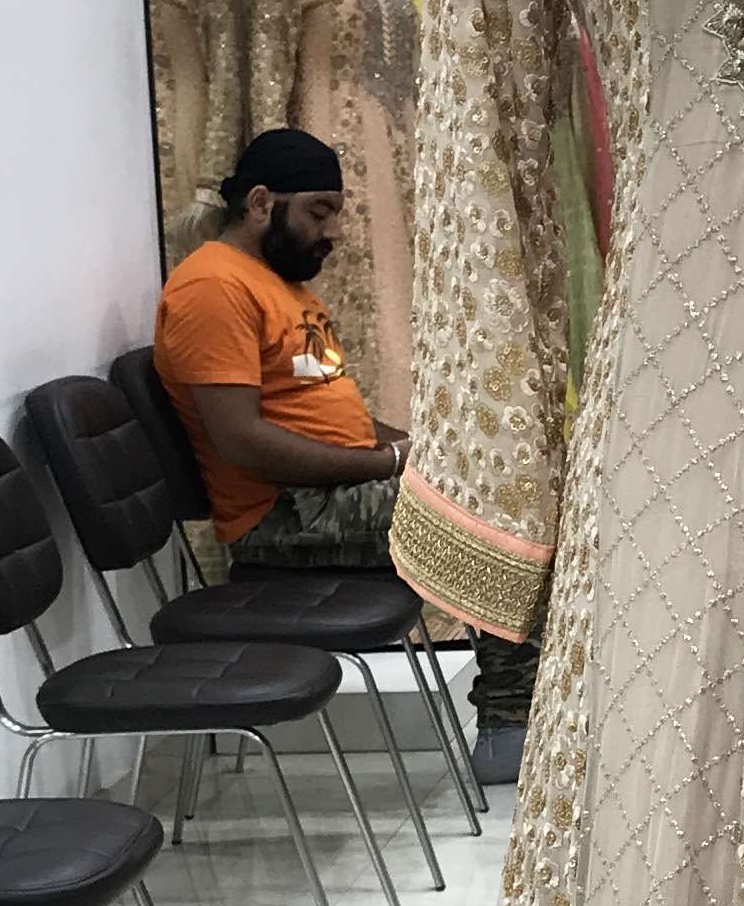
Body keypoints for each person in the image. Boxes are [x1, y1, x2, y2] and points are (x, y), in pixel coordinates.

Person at [153, 125, 539, 777]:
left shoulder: (281, 286)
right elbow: (242, 442)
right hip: (286, 515)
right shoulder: (211, 287)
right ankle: (511, 730)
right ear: (260, 203)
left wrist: (421, 450)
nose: (333, 231)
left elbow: (336, 415)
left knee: (510, 487)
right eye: (319, 212)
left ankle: (530, 719)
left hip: (333, 496)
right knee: (501, 520)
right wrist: (389, 464)